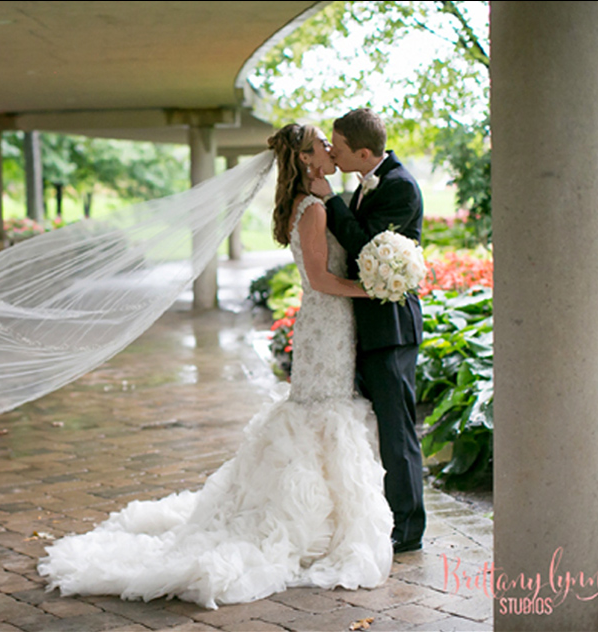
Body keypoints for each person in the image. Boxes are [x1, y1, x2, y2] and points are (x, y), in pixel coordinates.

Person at [37, 123, 394, 609]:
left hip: (332, 326)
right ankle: (308, 523)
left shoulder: (319, 199)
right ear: (307, 161)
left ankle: (323, 520)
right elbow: (320, 279)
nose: (330, 150)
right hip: (326, 324)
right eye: (320, 147)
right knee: (319, 413)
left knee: (320, 414)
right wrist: (374, 289)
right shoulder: (312, 208)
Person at [309, 108, 426, 554]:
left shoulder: (399, 186)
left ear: (362, 151)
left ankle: (408, 529)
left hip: (391, 329)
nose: (332, 153)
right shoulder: (369, 180)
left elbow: (365, 249)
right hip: (364, 327)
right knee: (375, 430)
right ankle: (381, 515)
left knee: (397, 433)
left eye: (337, 148)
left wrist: (332, 201)